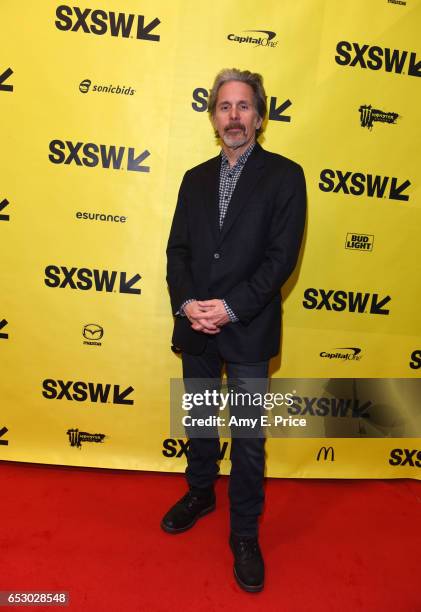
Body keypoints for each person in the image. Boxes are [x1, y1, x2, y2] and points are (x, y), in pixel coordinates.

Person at [163, 68, 306, 593]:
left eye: (244, 106)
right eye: (224, 106)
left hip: (247, 328)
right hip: (196, 326)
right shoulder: (194, 178)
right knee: (199, 420)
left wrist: (229, 307)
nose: (234, 116)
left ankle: (244, 532)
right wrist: (188, 305)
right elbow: (178, 251)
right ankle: (200, 490)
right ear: (213, 116)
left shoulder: (285, 176)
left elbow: (280, 259)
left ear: (260, 116)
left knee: (247, 441)